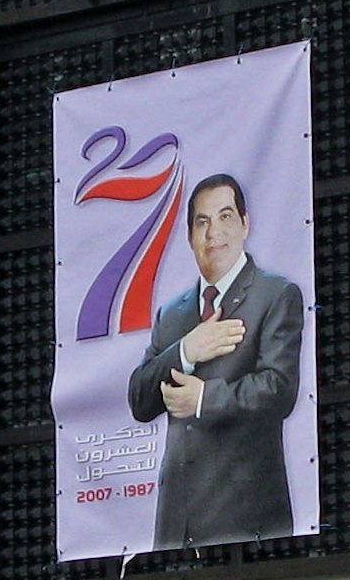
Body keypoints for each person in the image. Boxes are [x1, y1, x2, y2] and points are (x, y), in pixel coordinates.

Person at [126, 173, 304, 548]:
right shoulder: (173, 313)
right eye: (202, 222)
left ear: (245, 224)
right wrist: (186, 350)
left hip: (247, 522)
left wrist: (204, 399)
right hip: (177, 527)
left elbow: (279, 389)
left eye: (225, 217)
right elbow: (140, 399)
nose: (213, 234)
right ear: (189, 235)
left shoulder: (276, 295)